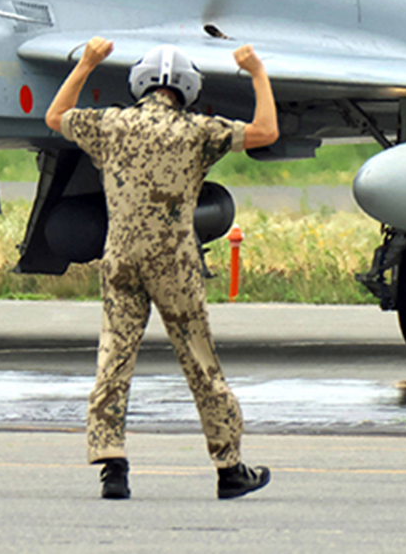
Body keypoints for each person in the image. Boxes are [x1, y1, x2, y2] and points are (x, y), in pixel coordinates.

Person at [45, 39, 279, 499]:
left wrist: (87, 63)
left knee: (114, 357)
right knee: (199, 361)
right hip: (175, 264)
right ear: (188, 88)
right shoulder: (198, 131)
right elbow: (266, 131)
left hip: (120, 259)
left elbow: (56, 116)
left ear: (139, 83)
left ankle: (112, 466)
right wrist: (257, 72)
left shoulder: (111, 124)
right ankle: (229, 468)